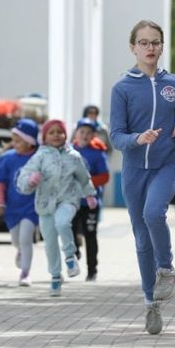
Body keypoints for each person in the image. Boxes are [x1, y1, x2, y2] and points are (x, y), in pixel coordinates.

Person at [110, 19, 175, 335]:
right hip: (134, 170)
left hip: (167, 163)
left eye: (155, 42)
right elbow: (116, 135)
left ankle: (167, 268)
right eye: (144, 42)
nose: (150, 47)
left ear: (162, 47)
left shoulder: (174, 83)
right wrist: (137, 139)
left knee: (153, 213)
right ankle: (151, 303)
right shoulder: (122, 88)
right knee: (141, 238)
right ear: (133, 47)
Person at [17, 119, 97, 296]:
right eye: (51, 133)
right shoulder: (39, 156)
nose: (56, 135)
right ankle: (55, 276)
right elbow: (24, 176)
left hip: (68, 199)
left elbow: (84, 177)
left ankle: (70, 256)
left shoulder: (74, 156)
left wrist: (89, 194)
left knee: (62, 223)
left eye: (59, 132)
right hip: (45, 204)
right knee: (50, 242)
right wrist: (31, 181)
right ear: (44, 137)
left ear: (66, 135)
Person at [0, 118, 40, 287]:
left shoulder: (39, 158)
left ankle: (25, 273)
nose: (14, 143)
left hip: (31, 207)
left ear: (29, 141)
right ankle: (19, 250)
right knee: (16, 240)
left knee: (26, 238)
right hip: (12, 208)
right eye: (14, 140)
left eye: (18, 140)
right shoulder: (7, 158)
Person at [71, 117, 110, 281]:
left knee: (90, 235)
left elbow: (104, 176)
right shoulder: (69, 151)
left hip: (90, 203)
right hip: (72, 202)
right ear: (76, 133)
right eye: (82, 132)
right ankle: (74, 252)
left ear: (93, 135)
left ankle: (92, 270)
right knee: (70, 231)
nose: (85, 135)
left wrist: (85, 182)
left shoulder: (98, 153)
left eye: (89, 133)